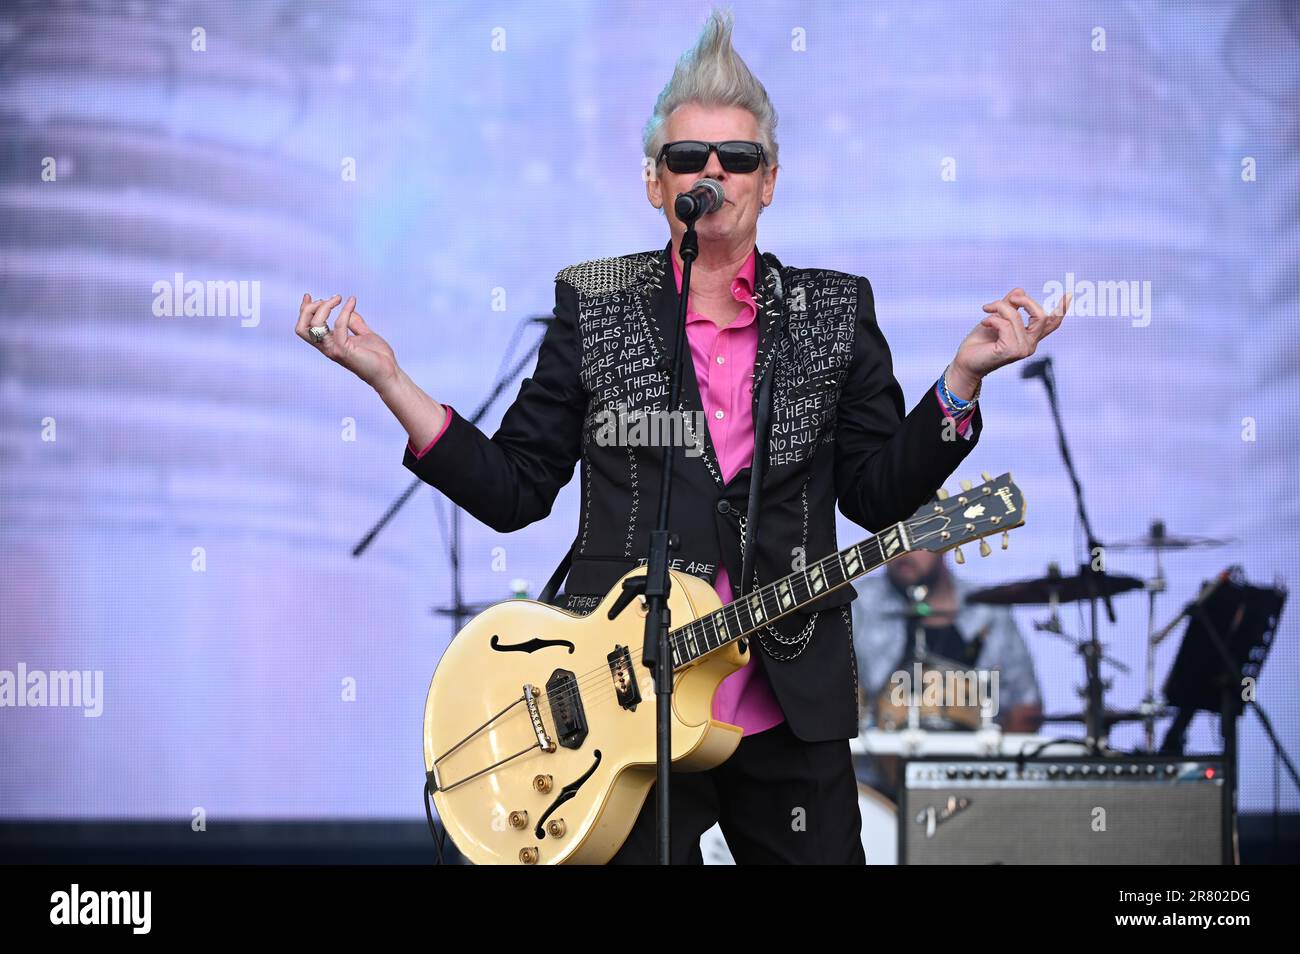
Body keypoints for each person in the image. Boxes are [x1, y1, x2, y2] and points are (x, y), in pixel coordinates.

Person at [293, 9, 1068, 864]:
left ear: (769, 179)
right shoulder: (599, 304)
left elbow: (876, 494)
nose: (713, 174)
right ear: (655, 184)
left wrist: (961, 381)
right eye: (687, 159)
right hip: (626, 701)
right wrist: (390, 380)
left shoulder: (833, 310)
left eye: (737, 159)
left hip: (786, 688)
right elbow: (515, 489)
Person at [852, 549, 1044, 735]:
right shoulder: (856, 604)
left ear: (946, 539)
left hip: (973, 760)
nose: (904, 551)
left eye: (916, 539)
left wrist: (992, 764)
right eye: (893, 538)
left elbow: (1026, 708)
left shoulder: (988, 610)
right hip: (878, 760)